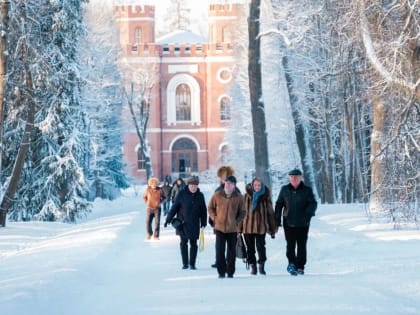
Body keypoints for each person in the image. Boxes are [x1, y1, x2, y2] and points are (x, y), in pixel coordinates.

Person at [275, 168, 317, 275]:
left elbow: (313, 203)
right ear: (289, 178)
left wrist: (308, 214)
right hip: (288, 221)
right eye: (292, 177)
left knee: (301, 245)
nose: (294, 179)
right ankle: (292, 264)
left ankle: (300, 266)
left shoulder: (307, 190)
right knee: (290, 244)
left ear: (300, 178)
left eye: (296, 177)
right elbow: (279, 204)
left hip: (303, 223)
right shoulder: (284, 189)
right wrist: (277, 219)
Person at [164, 176, 207, 270]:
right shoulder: (182, 194)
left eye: (195, 186)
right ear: (188, 185)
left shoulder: (200, 196)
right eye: (192, 185)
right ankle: (185, 263)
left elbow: (203, 210)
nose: (193, 188)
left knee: (193, 243)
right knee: (183, 243)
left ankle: (192, 264)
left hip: (195, 223)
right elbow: (175, 207)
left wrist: (204, 223)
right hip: (182, 223)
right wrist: (168, 219)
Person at [208, 175, 246, 278]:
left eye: (230, 184)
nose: (228, 185)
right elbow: (210, 207)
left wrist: (236, 221)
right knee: (219, 250)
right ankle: (221, 271)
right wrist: (214, 218)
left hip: (232, 229)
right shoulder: (217, 195)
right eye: (227, 183)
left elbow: (243, 212)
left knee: (231, 252)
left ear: (234, 185)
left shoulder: (239, 197)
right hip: (219, 228)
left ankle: (230, 272)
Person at [241, 177, 277, 275]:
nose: (257, 187)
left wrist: (273, 229)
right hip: (247, 227)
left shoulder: (265, 198)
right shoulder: (245, 197)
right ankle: (253, 266)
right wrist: (238, 228)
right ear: (252, 186)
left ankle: (261, 264)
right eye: (255, 185)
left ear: (262, 186)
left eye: (259, 185)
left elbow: (270, 213)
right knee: (250, 248)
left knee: (261, 247)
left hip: (261, 227)